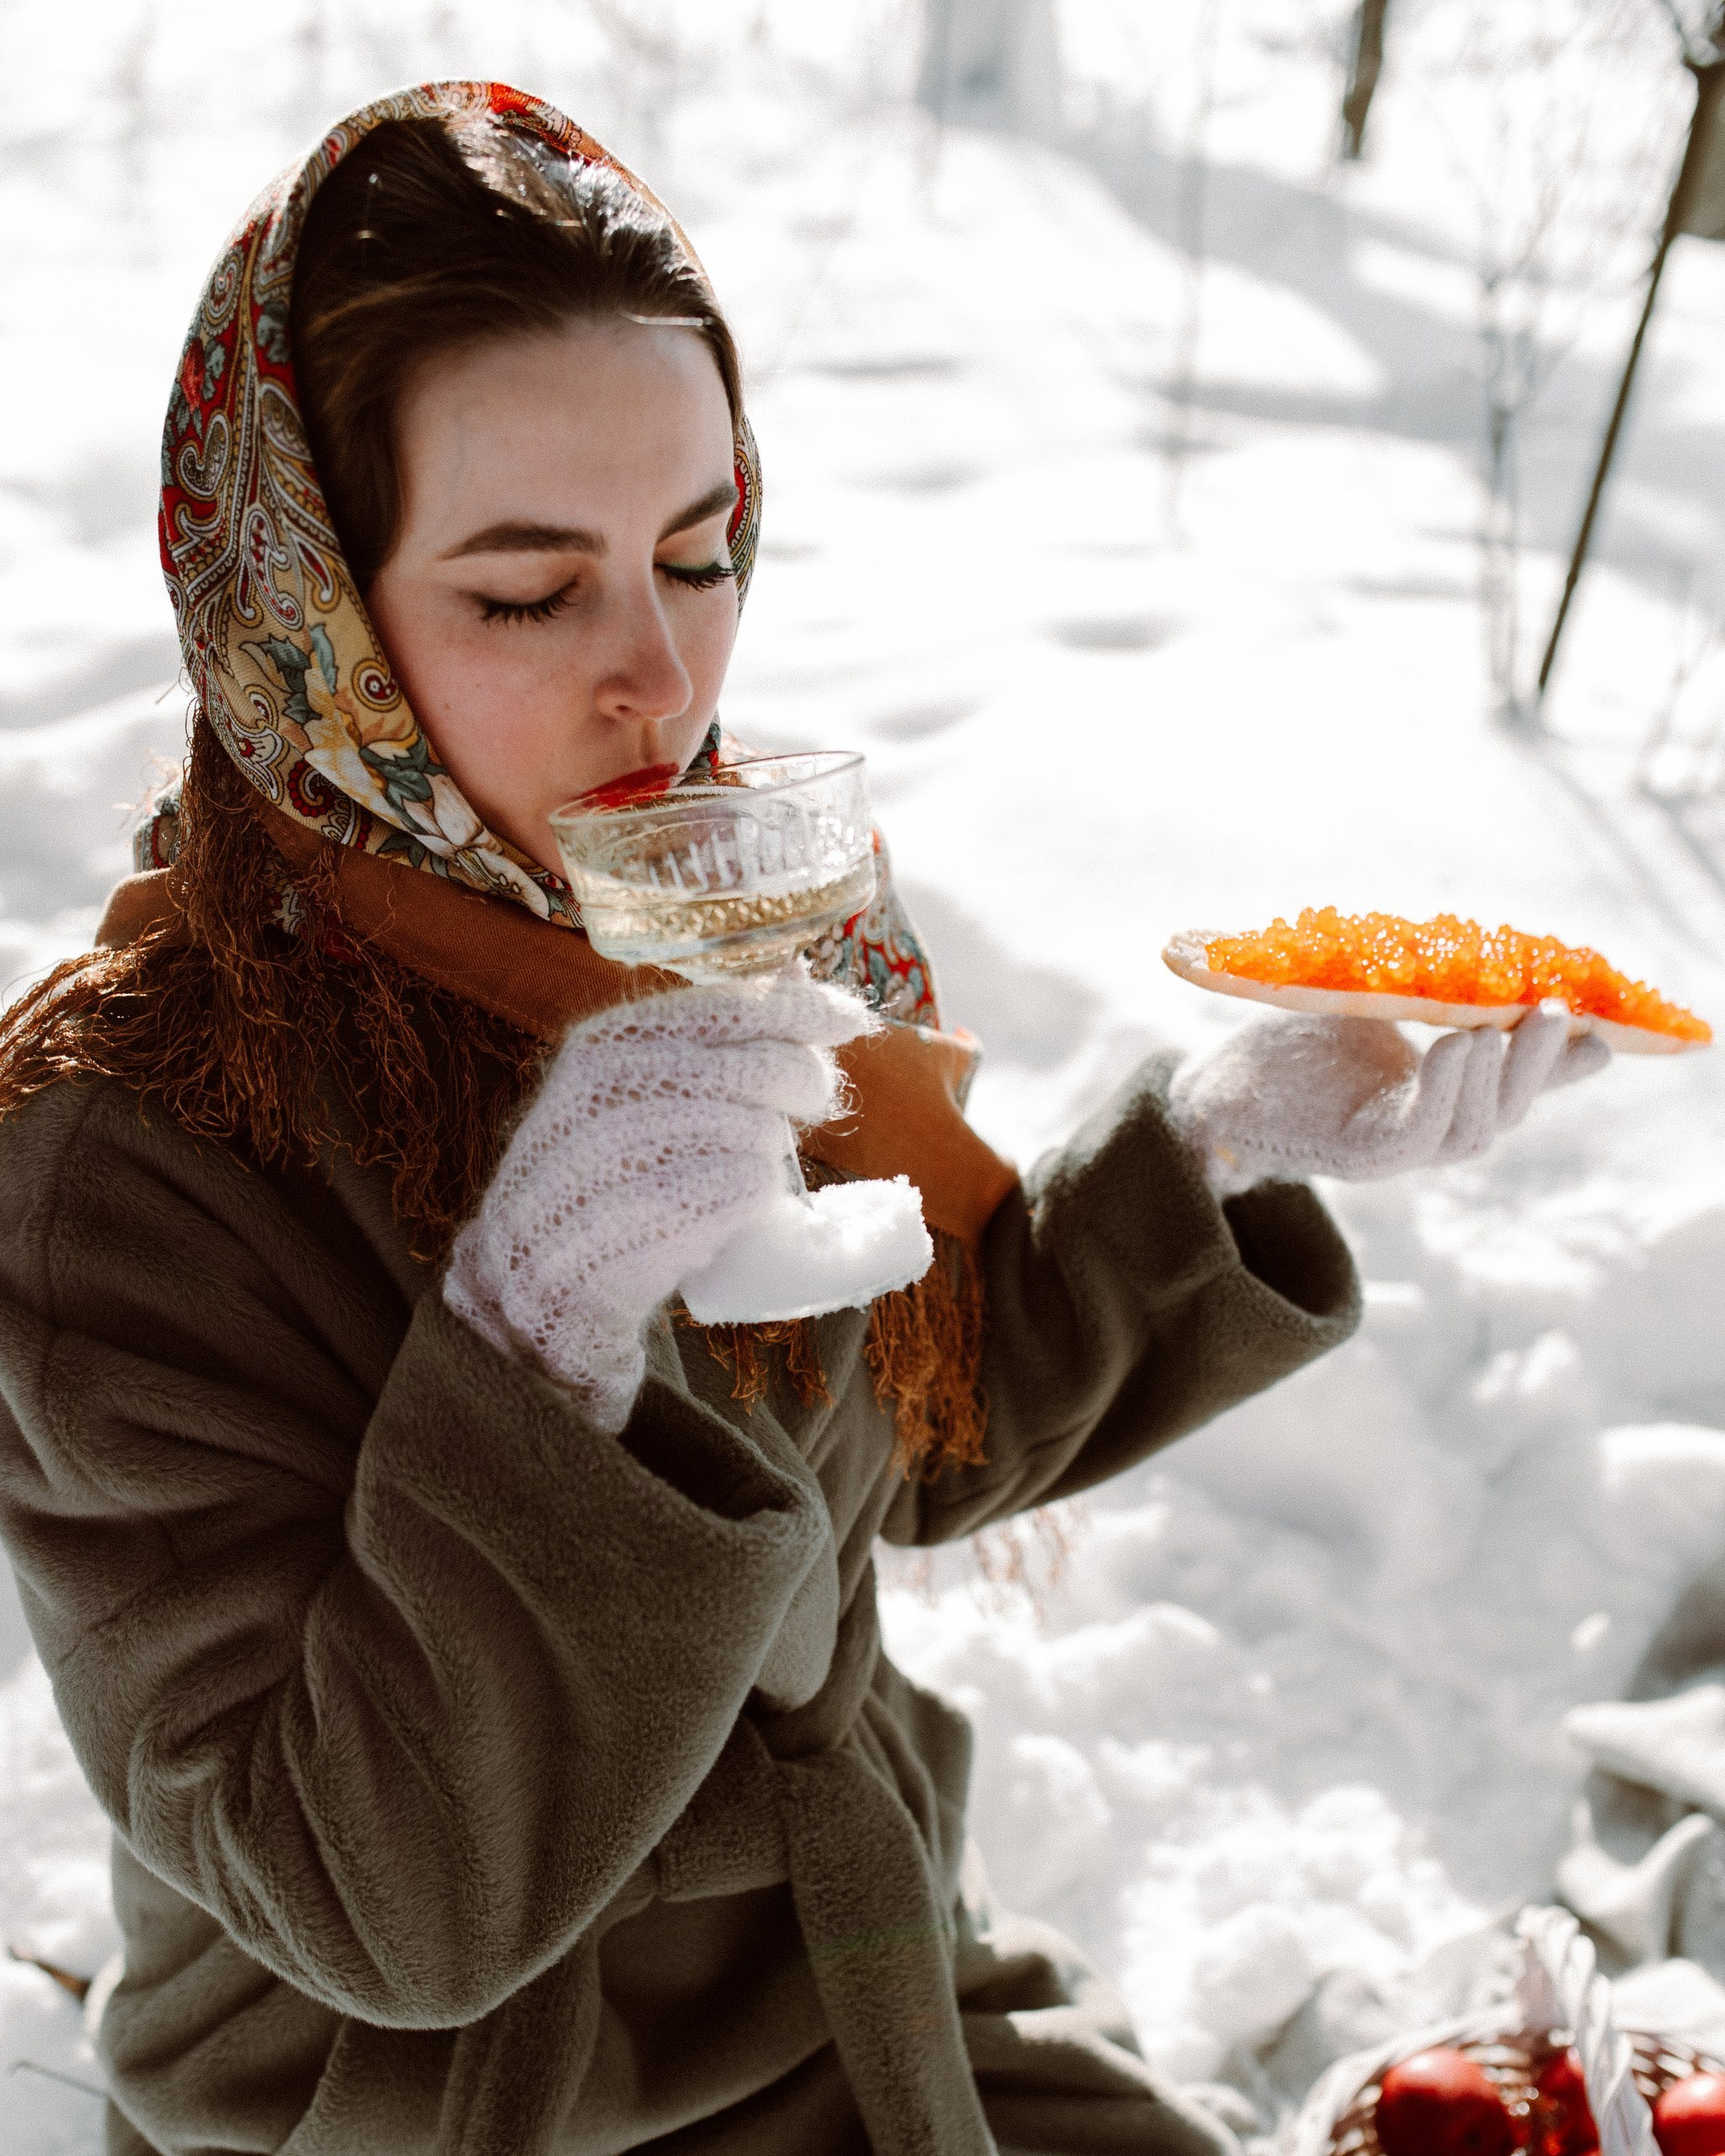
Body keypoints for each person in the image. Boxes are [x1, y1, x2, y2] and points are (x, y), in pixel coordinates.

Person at [0, 82, 1605, 2156]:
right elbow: (370, 1901)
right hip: (443, 2100)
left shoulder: (753, 924)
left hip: (865, 1988)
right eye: (523, 589)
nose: (661, 674)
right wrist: (531, 1342)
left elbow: (908, 1449)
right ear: (310, 616)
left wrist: (1214, 1143)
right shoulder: (114, 1154)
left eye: (698, 551)